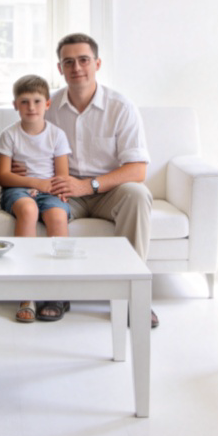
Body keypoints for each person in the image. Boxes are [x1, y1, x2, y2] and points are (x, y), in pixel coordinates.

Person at [44, 33, 158, 329]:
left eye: (83, 60)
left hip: (109, 190)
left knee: (137, 193)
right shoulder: (49, 107)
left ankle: (135, 296)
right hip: (66, 191)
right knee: (45, 203)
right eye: (68, 62)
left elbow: (137, 170)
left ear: (97, 63)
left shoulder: (121, 107)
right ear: (60, 69)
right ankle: (57, 292)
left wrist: (89, 185)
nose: (76, 67)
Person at [0, 74, 72, 323]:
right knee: (28, 211)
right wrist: (33, 183)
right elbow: (3, 177)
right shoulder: (10, 135)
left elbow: (62, 175)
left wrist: (46, 188)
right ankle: (25, 293)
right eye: (24, 101)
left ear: (47, 104)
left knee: (58, 216)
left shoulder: (57, 135)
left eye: (37, 101)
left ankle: (57, 292)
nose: (31, 107)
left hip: (51, 189)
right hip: (18, 190)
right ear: (15, 105)